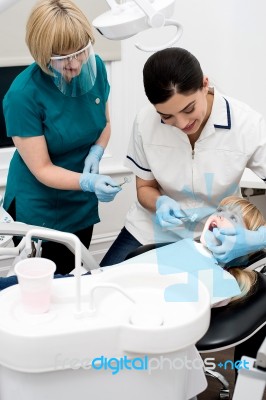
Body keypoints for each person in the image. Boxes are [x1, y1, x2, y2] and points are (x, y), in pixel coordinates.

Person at [100, 47, 266, 267]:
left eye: (189, 109)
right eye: (167, 116)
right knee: (103, 286)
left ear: (205, 84)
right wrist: (159, 203)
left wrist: (258, 239)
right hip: (150, 229)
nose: (181, 124)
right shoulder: (145, 122)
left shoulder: (246, 124)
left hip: (216, 232)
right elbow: (144, 188)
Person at [2, 0, 121, 275]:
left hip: (80, 202)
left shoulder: (96, 68)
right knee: (49, 288)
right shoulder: (22, 96)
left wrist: (97, 152)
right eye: (63, 57)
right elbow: (42, 168)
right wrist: (87, 180)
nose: (75, 63)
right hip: (40, 207)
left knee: (76, 277)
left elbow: (104, 123)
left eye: (81, 52)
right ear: (41, 53)